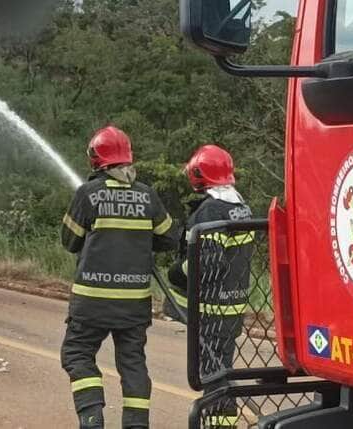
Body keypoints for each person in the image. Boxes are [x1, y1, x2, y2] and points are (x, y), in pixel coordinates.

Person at [60, 126, 178, 429]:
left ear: (96, 160)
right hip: (133, 306)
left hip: (91, 304)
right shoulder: (147, 195)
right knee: (133, 365)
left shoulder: (88, 194)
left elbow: (70, 241)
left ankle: (91, 418)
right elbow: (169, 238)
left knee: (77, 353)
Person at [166, 144, 254, 429]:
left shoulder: (210, 210)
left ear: (199, 174)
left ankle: (220, 425)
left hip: (212, 308)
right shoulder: (241, 208)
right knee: (221, 370)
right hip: (233, 305)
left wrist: (176, 273)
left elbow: (207, 264)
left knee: (214, 376)